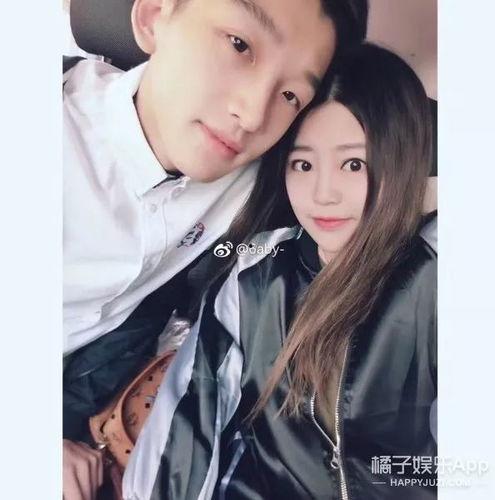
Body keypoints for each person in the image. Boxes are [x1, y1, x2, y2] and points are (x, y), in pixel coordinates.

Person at [63, 0, 369, 498]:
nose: (252, 114)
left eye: (290, 94)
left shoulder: (260, 184)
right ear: (155, 15)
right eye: (240, 45)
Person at [123, 43, 437, 500]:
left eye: (354, 164)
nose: (322, 193)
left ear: (402, 160)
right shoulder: (256, 273)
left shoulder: (437, 279)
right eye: (303, 164)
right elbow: (193, 413)